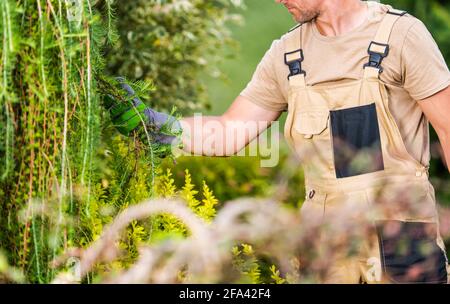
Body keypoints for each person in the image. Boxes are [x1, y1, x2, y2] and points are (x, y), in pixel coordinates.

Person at [103, 0, 450, 283]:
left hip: (401, 237)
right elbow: (229, 131)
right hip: (324, 241)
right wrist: (158, 127)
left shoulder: (401, 35)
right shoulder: (287, 54)